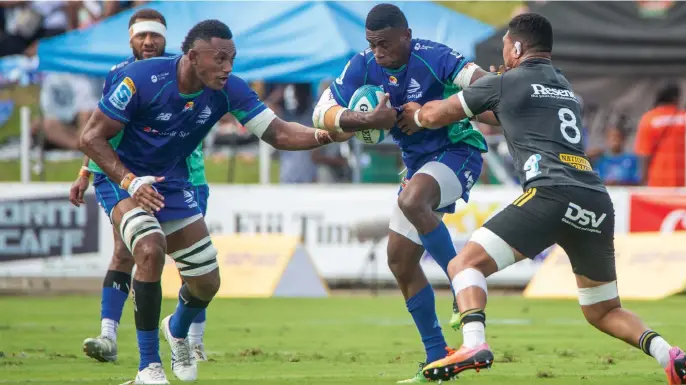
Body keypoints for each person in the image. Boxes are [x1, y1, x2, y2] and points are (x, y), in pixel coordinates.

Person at [406, 13, 686, 385]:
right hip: (594, 198)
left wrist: (416, 112)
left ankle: (473, 343)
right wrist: (497, 88)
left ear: (515, 47)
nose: (505, 58)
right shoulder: (563, 87)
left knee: (465, 264)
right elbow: (512, 114)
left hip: (550, 193)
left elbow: (434, 116)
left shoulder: (505, 81)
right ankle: (667, 353)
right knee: (603, 310)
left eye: (506, 50)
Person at [78, 19, 351, 384]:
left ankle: (176, 328)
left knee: (207, 282)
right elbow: (90, 137)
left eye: (232, 59)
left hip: (171, 181)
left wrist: (327, 134)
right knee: (148, 248)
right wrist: (128, 180)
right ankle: (149, 368)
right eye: (219, 59)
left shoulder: (228, 90)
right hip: (121, 178)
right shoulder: (140, 79)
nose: (228, 68)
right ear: (192, 56)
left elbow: (279, 132)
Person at [312, 4, 495, 382]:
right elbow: (321, 113)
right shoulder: (362, 65)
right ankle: (437, 357)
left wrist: (432, 110)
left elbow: (481, 85)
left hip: (458, 151)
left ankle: (463, 288)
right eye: (372, 44)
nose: (379, 52)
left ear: (406, 35)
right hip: (417, 166)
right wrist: (364, 120)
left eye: (385, 44)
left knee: (411, 200)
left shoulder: (435, 57)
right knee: (399, 260)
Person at [69, 9, 210, 364]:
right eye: (141, 36)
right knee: (127, 250)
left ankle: (193, 341)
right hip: (132, 178)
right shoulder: (120, 76)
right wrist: (85, 172)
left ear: (167, 39)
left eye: (155, 36)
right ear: (130, 39)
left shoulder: (189, 71)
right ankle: (109, 335)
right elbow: (100, 129)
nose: (148, 42)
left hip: (188, 177)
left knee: (191, 260)